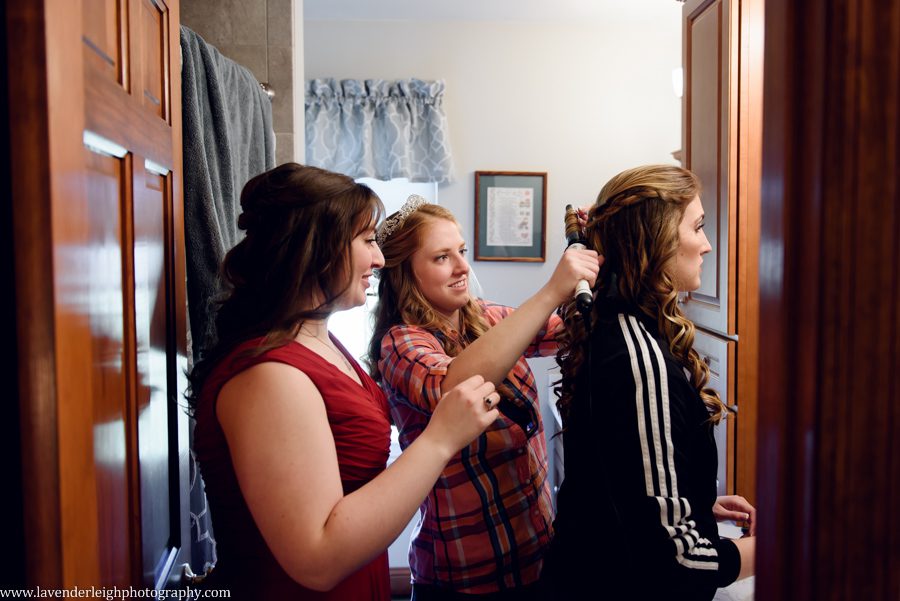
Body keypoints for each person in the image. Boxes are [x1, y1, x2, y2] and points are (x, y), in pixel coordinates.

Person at [188, 163, 501, 599]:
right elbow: (317, 559)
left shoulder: (318, 336)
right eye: (369, 241)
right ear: (318, 248)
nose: (379, 258)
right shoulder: (268, 377)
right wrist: (440, 439)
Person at [540, 165, 756, 600]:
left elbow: (616, 475)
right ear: (656, 240)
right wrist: (772, 550)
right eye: (697, 226)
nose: (708, 244)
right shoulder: (638, 358)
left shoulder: (619, 326)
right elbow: (675, 561)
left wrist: (690, 500)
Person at [367, 197, 601, 600]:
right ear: (405, 272)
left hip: (538, 555)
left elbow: (572, 329)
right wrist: (550, 290)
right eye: (442, 257)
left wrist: (603, 245)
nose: (462, 268)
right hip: (462, 579)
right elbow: (453, 387)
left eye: (461, 252)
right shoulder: (400, 343)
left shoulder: (487, 318)